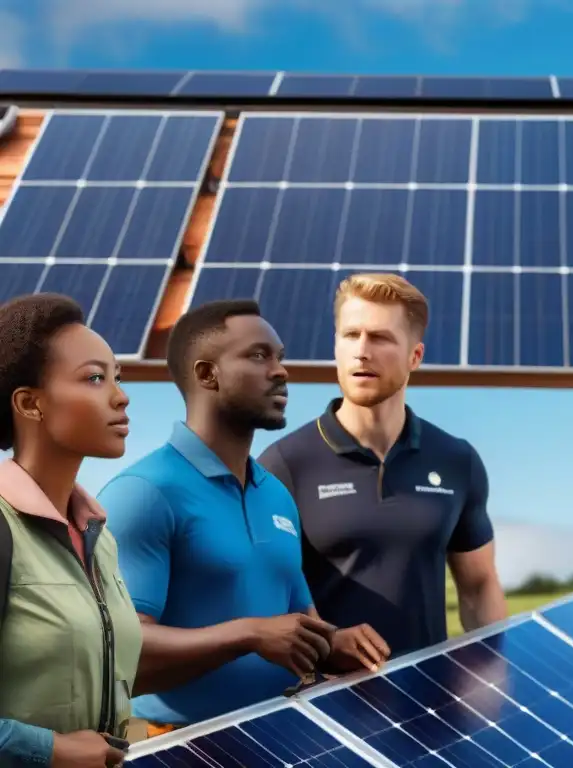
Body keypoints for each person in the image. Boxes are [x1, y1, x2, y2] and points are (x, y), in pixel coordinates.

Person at [98, 299, 385, 736]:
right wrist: (248, 634)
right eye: (258, 356)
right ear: (206, 374)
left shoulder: (276, 496)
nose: (281, 371)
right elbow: (119, 653)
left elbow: (299, 624)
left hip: (285, 734)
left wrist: (335, 642)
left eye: (280, 357)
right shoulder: (143, 494)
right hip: (182, 748)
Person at [258, 273, 507, 660]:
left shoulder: (457, 461)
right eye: (350, 335)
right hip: (323, 707)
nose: (361, 351)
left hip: (428, 703)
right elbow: (262, 604)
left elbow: (478, 586)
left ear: (415, 356)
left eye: (380, 338)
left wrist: (493, 667)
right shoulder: (285, 464)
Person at [0, 294, 140, 767]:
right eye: (95, 378)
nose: (121, 396)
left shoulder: (100, 538)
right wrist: (51, 750)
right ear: (30, 403)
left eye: (117, 377)